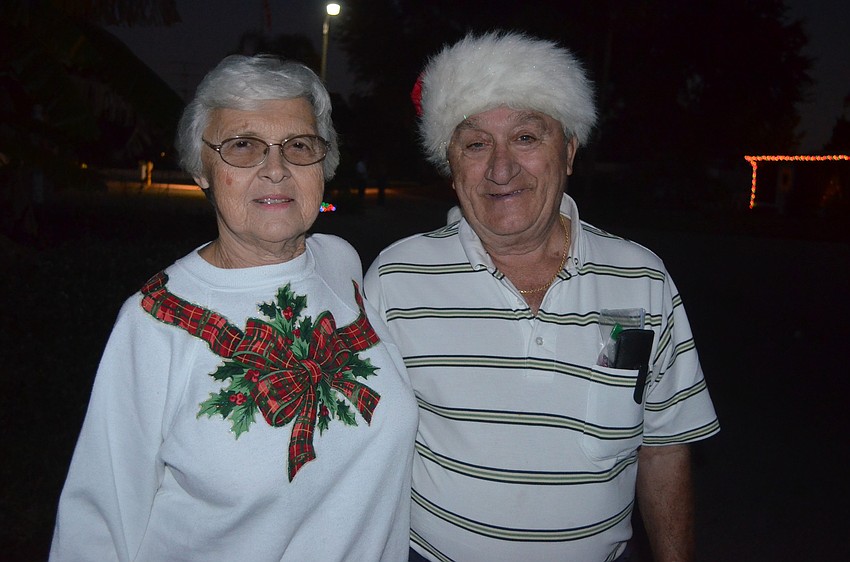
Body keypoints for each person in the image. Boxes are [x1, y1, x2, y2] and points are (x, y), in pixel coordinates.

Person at [364, 32, 719, 562]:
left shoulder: (642, 278)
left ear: (569, 150)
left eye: (526, 137)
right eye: (476, 144)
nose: (501, 169)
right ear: (450, 165)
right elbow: (360, 449)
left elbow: (664, 448)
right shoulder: (395, 279)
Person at [50, 55, 418, 561]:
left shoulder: (340, 263)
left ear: (323, 163)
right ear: (202, 169)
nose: (276, 169)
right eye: (242, 146)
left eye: (299, 145)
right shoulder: (155, 321)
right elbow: (97, 522)